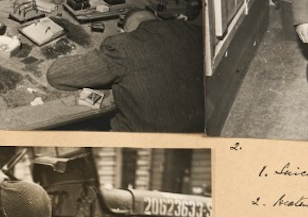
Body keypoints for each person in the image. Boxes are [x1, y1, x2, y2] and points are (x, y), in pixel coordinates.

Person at [44, 9, 205, 133]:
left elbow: (57, 74)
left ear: (124, 31)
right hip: (202, 129)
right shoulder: (196, 32)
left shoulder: (123, 45)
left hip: (144, 139)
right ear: (156, 17)